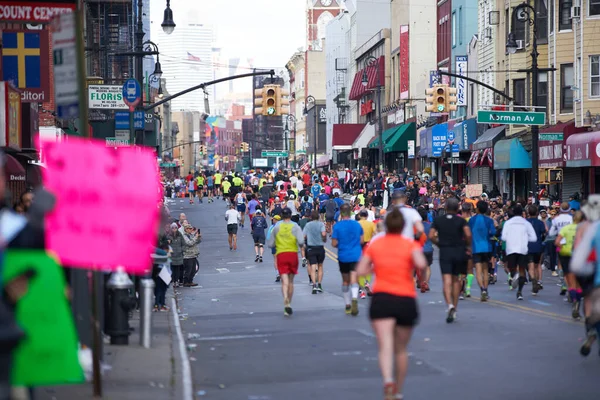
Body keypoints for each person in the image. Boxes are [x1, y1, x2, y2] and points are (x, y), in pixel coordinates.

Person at [355, 208, 427, 400]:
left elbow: (362, 270)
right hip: (405, 298)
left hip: (382, 298)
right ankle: (398, 390)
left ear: (386, 226)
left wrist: (375, 266)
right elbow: (421, 264)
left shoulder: (376, 245)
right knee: (401, 349)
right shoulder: (410, 244)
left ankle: (388, 380)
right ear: (404, 226)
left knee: (385, 345)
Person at [429, 197, 472, 323]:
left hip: (445, 252)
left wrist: (438, 243)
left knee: (446, 280)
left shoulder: (438, 220)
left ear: (446, 207)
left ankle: (449, 306)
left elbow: (431, 235)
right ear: (457, 208)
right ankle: (455, 306)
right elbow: (468, 234)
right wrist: (467, 246)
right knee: (456, 280)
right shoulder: (461, 221)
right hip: (459, 251)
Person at [267, 208, 306, 316]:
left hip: (281, 254)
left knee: (284, 280)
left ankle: (285, 301)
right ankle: (289, 301)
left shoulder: (276, 227)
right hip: (292, 254)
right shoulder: (295, 226)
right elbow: (301, 242)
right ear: (290, 215)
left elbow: (270, 244)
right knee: (291, 281)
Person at [332, 203, 364, 316]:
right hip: (356, 255)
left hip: (343, 256)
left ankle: (347, 304)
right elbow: (361, 241)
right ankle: (355, 297)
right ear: (350, 212)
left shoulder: (337, 226)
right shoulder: (357, 225)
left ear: (341, 213)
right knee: (354, 278)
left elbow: (334, 243)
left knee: (346, 280)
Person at [501, 204, 537, 301]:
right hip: (522, 249)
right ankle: (520, 292)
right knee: (522, 270)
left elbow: (503, 237)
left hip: (511, 249)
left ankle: (514, 275)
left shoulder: (508, 223)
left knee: (512, 268)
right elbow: (534, 238)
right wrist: (525, 238)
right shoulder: (526, 223)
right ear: (522, 213)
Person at [555, 211, 585, 319]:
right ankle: (578, 302)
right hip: (580, 257)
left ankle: (574, 301)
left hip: (567, 256)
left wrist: (563, 249)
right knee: (579, 284)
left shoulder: (566, 229)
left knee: (571, 283)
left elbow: (557, 242)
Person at [468, 201, 497, 301]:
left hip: (475, 248)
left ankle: (482, 289)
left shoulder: (472, 220)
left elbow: (468, 233)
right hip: (487, 247)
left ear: (478, 209)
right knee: (485, 270)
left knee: (478, 270)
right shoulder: (489, 220)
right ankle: (486, 289)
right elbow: (493, 232)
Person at [303, 210, 327, 294]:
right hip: (320, 247)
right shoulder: (321, 224)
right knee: (320, 266)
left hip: (311, 247)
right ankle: (319, 284)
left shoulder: (308, 225)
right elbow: (323, 234)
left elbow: (304, 236)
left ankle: (314, 285)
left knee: (312, 266)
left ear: (311, 217)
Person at [526, 204, 546, 296]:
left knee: (531, 266)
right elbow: (545, 231)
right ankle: (538, 282)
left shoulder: (526, 222)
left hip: (528, 246)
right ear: (537, 213)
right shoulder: (540, 223)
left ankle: (533, 281)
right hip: (538, 246)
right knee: (538, 265)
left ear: (528, 213)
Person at [357, 209, 376, 298]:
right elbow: (376, 234)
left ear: (360, 216)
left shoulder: (357, 224)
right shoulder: (371, 224)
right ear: (367, 216)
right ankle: (367, 283)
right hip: (368, 246)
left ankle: (362, 291)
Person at [181, 222, 201, 287]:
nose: (191, 230)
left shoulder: (191, 235)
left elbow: (197, 242)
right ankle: (186, 282)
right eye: (189, 229)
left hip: (193, 254)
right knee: (188, 270)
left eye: (191, 229)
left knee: (193, 270)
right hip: (187, 255)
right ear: (186, 229)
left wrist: (198, 237)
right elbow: (189, 243)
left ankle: (190, 281)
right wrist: (195, 238)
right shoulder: (184, 236)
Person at [168, 222, 185, 287]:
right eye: (173, 228)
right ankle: (173, 281)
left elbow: (183, 243)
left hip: (179, 255)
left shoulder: (180, 235)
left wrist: (181, 250)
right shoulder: (169, 236)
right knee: (172, 269)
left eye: (175, 228)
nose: (174, 229)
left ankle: (176, 281)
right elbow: (166, 245)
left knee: (177, 269)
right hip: (172, 255)